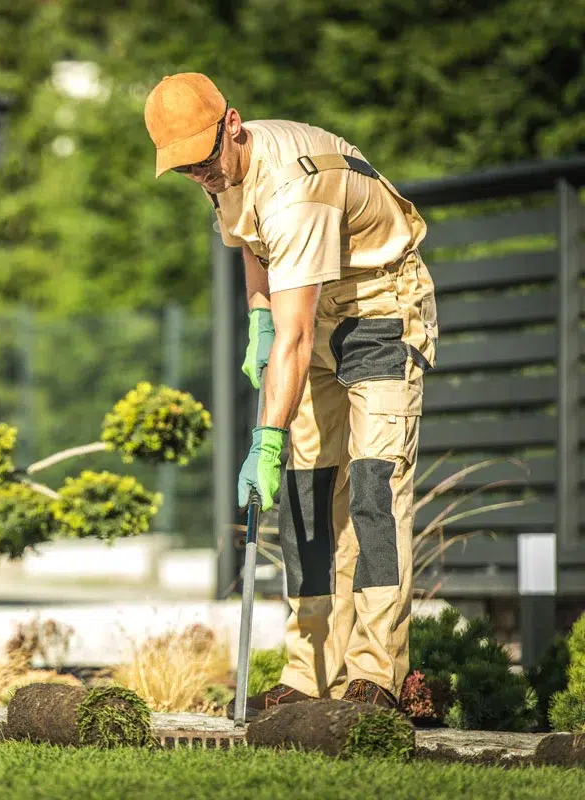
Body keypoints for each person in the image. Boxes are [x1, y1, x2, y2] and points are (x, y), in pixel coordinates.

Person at [143, 73, 439, 718]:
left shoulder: (294, 191)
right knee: (305, 494)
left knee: (372, 489)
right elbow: (253, 246)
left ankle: (375, 675)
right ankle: (309, 676)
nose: (202, 177)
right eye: (186, 169)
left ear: (233, 125)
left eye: (205, 161)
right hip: (313, 311)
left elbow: (297, 336)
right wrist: (257, 321)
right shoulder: (223, 172)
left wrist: (267, 439)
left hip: (381, 310)